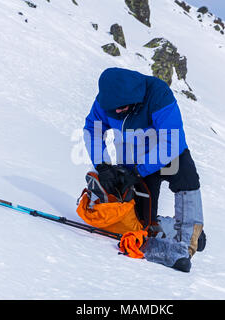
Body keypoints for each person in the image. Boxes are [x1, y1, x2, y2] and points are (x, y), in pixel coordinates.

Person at [83, 67, 205, 272]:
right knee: (142, 224)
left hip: (167, 155)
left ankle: (187, 240)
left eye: (122, 107)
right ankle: (183, 229)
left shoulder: (158, 94)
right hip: (132, 158)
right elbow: (93, 130)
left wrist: (140, 171)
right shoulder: (106, 101)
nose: (117, 112)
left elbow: (172, 142)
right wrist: (103, 166)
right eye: (113, 109)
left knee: (186, 178)